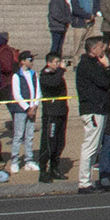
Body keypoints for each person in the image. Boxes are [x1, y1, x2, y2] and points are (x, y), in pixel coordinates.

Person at [75, 37, 110, 192]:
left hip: (99, 108)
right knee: (90, 146)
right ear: (93, 49)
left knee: (94, 147)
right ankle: (84, 182)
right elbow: (104, 82)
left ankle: (87, 180)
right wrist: (107, 68)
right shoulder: (87, 65)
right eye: (100, 47)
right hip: (92, 109)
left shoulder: (94, 64)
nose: (103, 49)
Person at [36, 51, 70, 182]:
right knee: (49, 142)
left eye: (59, 62)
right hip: (51, 113)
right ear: (49, 63)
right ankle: (43, 170)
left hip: (61, 111)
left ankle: (54, 168)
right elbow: (53, 84)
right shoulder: (45, 75)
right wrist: (61, 70)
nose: (58, 64)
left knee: (60, 142)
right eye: (56, 62)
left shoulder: (57, 74)